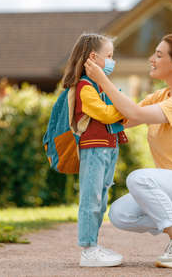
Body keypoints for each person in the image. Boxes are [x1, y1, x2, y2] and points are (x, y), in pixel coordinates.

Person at [84, 33, 172, 269]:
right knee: (119, 214)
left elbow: (136, 115)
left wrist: (102, 80)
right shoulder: (162, 96)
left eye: (159, 55)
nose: (152, 59)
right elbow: (124, 118)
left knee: (139, 178)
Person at [62, 33, 128, 267]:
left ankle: (94, 245)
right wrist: (124, 107)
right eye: (109, 56)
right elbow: (106, 113)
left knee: (101, 199)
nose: (112, 61)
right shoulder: (84, 87)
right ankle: (88, 249)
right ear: (93, 57)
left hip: (109, 147)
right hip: (94, 149)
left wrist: (120, 105)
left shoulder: (100, 86)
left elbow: (112, 110)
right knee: (91, 198)